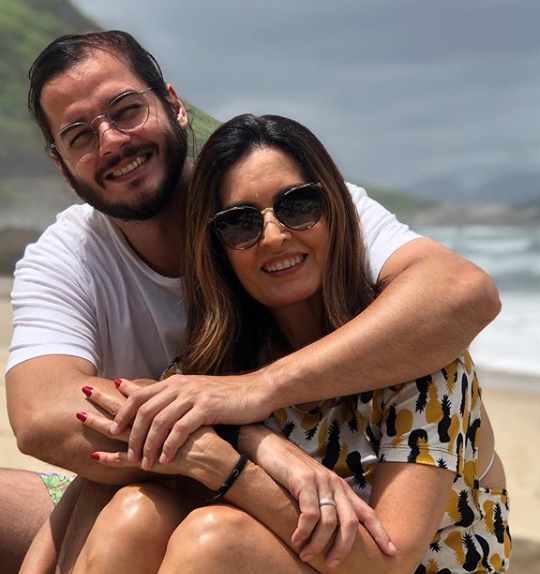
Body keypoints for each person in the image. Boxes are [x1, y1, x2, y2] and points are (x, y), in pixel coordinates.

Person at [4, 30, 500, 573]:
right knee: (132, 508)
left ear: (174, 106)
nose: (273, 234)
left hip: (345, 548)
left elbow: (461, 293)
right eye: (79, 134)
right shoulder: (197, 351)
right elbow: (42, 418)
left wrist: (255, 394)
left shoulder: (278, 187)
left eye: (126, 110)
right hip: (181, 485)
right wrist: (243, 435)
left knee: (212, 539)